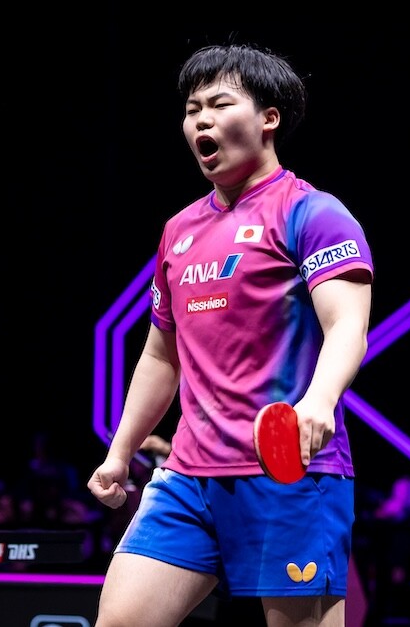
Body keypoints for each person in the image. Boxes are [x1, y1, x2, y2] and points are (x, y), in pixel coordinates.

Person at [87, 42, 374, 627]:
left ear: (269, 119)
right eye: (192, 110)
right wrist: (120, 453)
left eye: (219, 105)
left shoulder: (313, 213)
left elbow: (347, 323)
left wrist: (319, 400)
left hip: (289, 472)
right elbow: (161, 356)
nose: (201, 121)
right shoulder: (179, 231)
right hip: (188, 475)